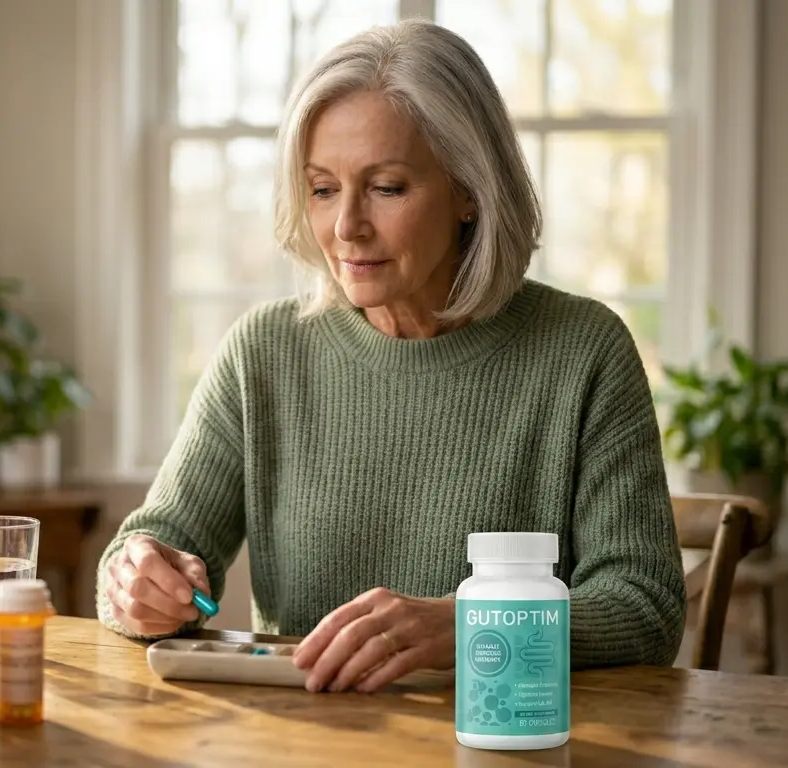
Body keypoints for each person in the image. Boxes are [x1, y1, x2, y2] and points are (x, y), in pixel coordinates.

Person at [95, 18, 686, 693]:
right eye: (322, 189)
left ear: (469, 190)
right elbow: (150, 548)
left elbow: (646, 606)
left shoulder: (584, 350)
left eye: (387, 188)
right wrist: (138, 584)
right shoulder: (263, 353)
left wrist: (467, 626)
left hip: (505, 740)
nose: (346, 227)